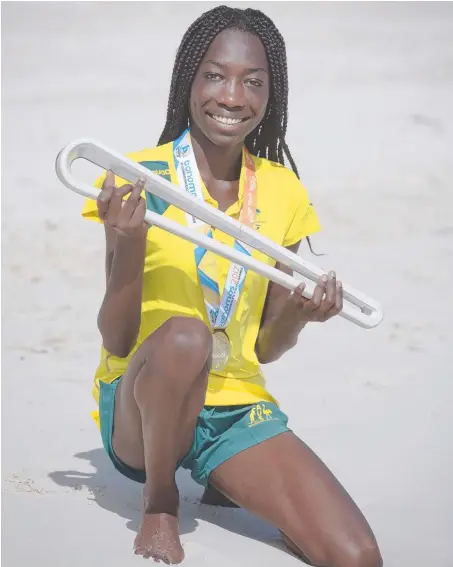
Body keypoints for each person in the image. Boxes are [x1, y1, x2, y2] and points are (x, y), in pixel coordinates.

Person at [81, 6, 383, 566]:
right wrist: (129, 245)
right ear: (188, 82)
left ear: (273, 94)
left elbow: (264, 348)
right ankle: (162, 500)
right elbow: (118, 340)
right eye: (215, 75)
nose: (232, 96)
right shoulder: (137, 176)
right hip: (143, 405)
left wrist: (297, 313)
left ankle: (224, 475)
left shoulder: (283, 192)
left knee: (357, 556)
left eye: (253, 82)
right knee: (186, 338)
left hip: (232, 403)